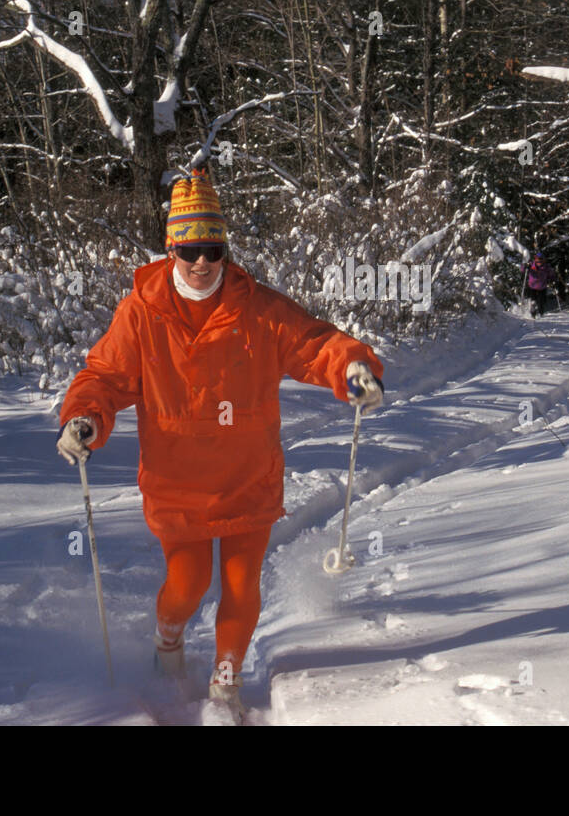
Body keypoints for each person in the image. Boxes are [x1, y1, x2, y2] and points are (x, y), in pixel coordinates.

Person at [55, 168, 385, 721]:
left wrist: (354, 368)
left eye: (213, 248)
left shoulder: (257, 307)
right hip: (176, 481)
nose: (203, 262)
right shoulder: (142, 310)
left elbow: (314, 343)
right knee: (187, 583)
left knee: (240, 586)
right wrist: (84, 418)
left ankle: (225, 682)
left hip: (247, 478)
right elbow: (106, 375)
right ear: (171, 250)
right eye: (190, 251)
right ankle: (167, 639)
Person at [523, 250, 557, 317]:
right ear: (535, 259)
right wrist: (525, 267)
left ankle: (541, 314)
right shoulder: (531, 265)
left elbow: (551, 275)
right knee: (533, 301)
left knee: (541, 302)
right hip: (532, 287)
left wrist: (552, 280)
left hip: (542, 287)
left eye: (541, 259)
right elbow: (523, 269)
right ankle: (532, 314)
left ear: (543, 259)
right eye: (537, 259)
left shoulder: (546, 267)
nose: (539, 261)